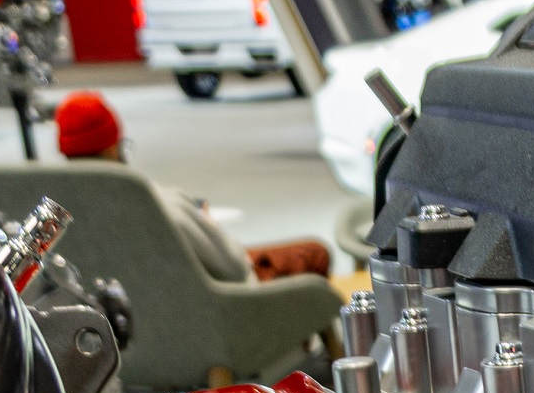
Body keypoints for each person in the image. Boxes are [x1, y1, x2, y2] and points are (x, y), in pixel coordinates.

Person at [53, 91, 330, 282]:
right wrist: (206, 222)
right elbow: (234, 267)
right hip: (223, 308)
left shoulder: (54, 219)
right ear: (113, 148)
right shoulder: (159, 204)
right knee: (314, 253)